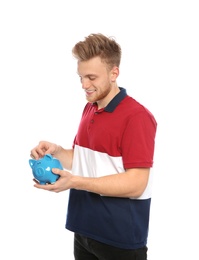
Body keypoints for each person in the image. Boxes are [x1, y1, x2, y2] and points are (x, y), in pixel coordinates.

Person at [30, 33, 157, 260]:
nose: (84, 85)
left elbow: (137, 183)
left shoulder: (137, 117)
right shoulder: (91, 107)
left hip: (119, 240)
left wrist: (75, 182)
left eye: (91, 77)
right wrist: (56, 151)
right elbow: (83, 158)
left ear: (114, 73)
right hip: (84, 230)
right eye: (80, 77)